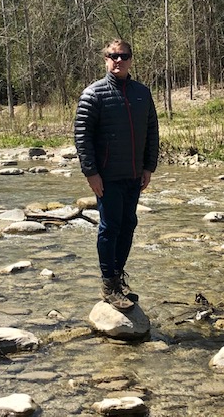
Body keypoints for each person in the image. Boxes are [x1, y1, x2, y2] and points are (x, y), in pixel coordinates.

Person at [74, 39, 159, 311]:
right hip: (107, 177)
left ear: (131, 60)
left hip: (134, 174)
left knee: (128, 225)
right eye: (113, 56)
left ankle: (118, 278)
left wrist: (149, 167)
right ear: (105, 60)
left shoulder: (142, 94)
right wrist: (91, 173)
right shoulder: (93, 94)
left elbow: (152, 132)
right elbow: (82, 137)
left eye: (123, 56)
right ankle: (109, 284)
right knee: (109, 228)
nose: (118, 60)